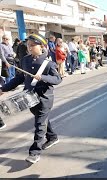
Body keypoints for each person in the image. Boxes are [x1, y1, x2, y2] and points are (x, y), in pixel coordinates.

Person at [0, 33, 62, 164]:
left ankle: (34, 153)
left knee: (39, 124)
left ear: (42, 46)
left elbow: (57, 79)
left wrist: (43, 78)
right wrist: (3, 88)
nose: (29, 48)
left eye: (33, 45)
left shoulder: (48, 63)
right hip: (29, 97)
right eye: (28, 45)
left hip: (44, 98)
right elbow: (19, 78)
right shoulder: (25, 60)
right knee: (42, 120)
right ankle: (52, 137)